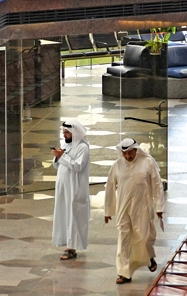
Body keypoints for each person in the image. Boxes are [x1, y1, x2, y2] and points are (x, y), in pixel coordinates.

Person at [104, 138, 166, 284]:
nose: (128, 156)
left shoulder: (147, 163)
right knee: (123, 239)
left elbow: (157, 185)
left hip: (142, 207)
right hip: (123, 208)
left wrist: (159, 207)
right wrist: (108, 210)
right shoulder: (117, 165)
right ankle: (124, 273)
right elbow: (110, 187)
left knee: (143, 237)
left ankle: (148, 257)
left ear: (136, 150)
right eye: (124, 153)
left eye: (130, 153)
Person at [51, 120, 91, 261]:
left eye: (67, 132)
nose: (64, 135)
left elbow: (78, 166)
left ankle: (72, 248)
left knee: (73, 217)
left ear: (75, 132)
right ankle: (66, 243)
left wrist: (62, 156)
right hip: (63, 188)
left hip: (75, 189)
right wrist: (57, 156)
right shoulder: (65, 145)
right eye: (63, 132)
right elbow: (58, 165)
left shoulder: (83, 148)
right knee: (64, 215)